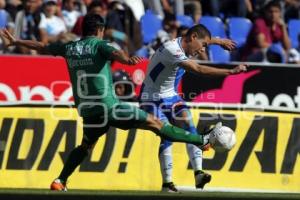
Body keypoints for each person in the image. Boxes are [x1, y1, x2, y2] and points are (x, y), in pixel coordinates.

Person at [0, 14, 222, 191]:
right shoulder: (99, 45)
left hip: (88, 111)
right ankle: (201, 139)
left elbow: (40, 46)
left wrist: (16, 41)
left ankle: (60, 180)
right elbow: (114, 52)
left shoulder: (69, 47)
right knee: (156, 123)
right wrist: (126, 59)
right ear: (100, 31)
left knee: (86, 146)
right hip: (110, 108)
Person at [139, 24, 247, 192]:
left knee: (189, 125)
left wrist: (217, 41)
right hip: (150, 99)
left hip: (171, 96)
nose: (202, 50)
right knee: (166, 134)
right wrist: (230, 73)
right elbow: (199, 69)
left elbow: (200, 38)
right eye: (203, 45)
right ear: (193, 38)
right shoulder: (173, 50)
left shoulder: (186, 41)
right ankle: (167, 184)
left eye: (205, 46)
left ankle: (198, 173)